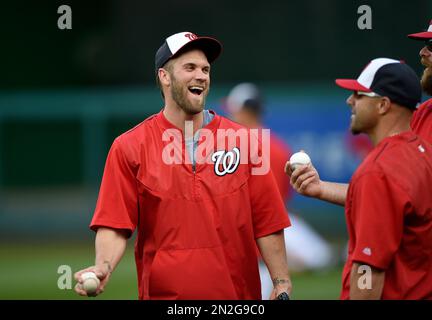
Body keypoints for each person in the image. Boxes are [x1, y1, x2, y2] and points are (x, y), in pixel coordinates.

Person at [74, 31, 292, 300]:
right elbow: (114, 223)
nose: (201, 75)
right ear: (164, 76)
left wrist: (281, 281)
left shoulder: (244, 142)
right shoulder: (129, 146)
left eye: (205, 69)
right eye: (189, 67)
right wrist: (103, 265)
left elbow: (267, 221)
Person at [288, 58, 432, 299]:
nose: (350, 101)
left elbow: (369, 271)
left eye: (359, 94)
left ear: (383, 105)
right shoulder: (424, 155)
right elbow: (390, 201)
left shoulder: (378, 171)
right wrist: (320, 188)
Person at [224, 83, 333, 299]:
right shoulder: (279, 148)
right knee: (318, 257)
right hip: (271, 243)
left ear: (246, 111)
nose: (231, 115)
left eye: (234, 110)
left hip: (241, 250)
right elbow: (282, 201)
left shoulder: (228, 149)